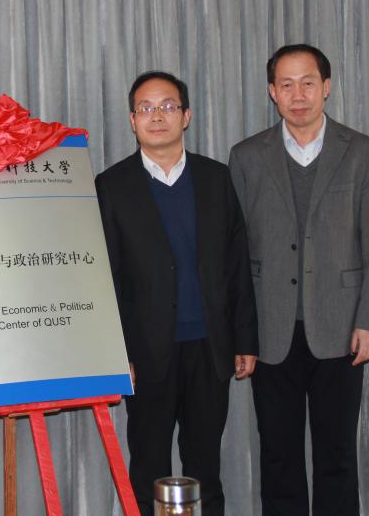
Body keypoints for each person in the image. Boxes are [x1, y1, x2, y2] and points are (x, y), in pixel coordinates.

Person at [228, 44, 369, 516]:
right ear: (272, 92)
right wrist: (241, 333)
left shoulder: (360, 151)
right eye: (286, 84)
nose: (297, 94)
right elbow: (234, 254)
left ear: (326, 87)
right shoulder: (247, 156)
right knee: (278, 455)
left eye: (307, 83)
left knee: (337, 455)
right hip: (270, 329)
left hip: (341, 328)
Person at [95, 71, 258, 516]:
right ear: (132, 120)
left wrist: (245, 339)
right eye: (146, 108)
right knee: (148, 465)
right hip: (145, 352)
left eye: (168, 106)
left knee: (205, 465)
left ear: (186, 116)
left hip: (209, 346)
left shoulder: (216, 178)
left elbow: (237, 262)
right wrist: (116, 353)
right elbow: (106, 277)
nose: (157, 116)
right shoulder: (112, 185)